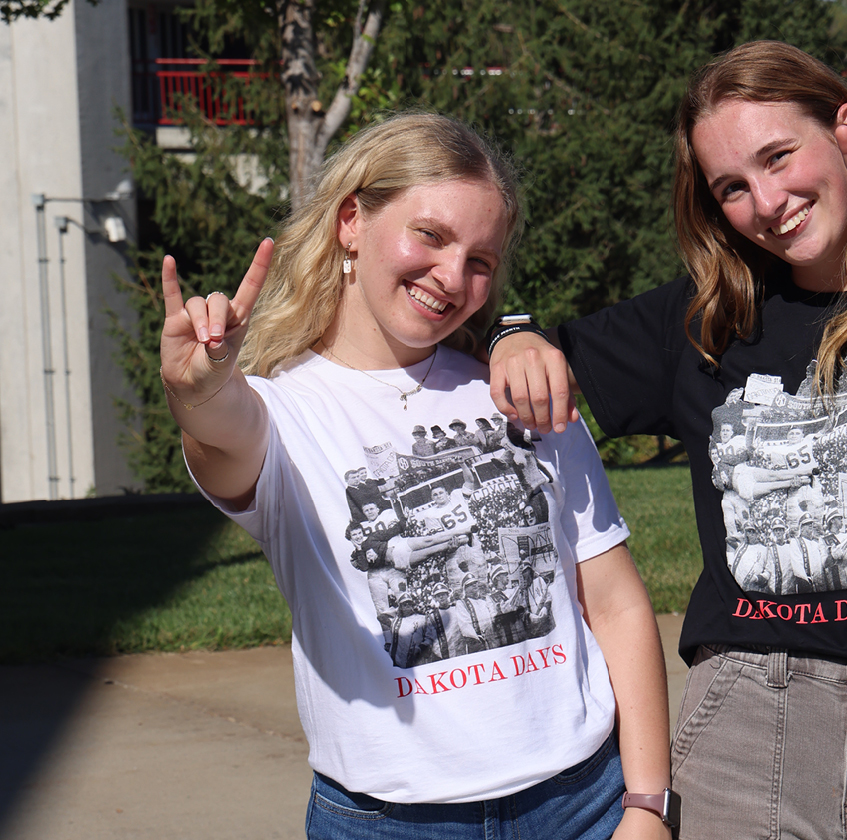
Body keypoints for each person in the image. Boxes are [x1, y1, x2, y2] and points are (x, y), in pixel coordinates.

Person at [489, 41, 847, 840]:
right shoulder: (701, 321)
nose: (768, 201)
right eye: (732, 187)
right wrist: (511, 335)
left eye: (778, 157)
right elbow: (522, 362)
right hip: (746, 730)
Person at [158, 112, 672, 840]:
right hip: (389, 822)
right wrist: (197, 390)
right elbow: (220, 429)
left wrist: (649, 805)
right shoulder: (281, 413)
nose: (453, 278)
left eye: (481, 260)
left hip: (584, 804)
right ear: (351, 222)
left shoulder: (523, 389)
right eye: (430, 235)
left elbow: (615, 605)